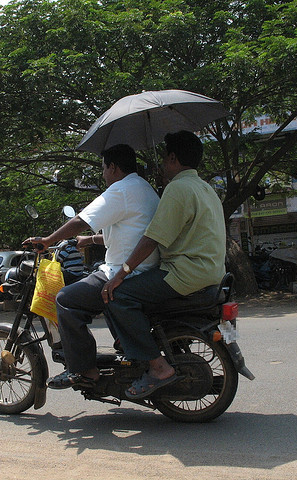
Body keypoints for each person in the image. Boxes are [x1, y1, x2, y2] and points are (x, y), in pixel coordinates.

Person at [102, 130, 227, 400]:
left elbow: (152, 238)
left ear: (172, 157)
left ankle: (157, 367)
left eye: (164, 159)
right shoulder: (205, 187)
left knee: (118, 296)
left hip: (184, 274)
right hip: (211, 273)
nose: (161, 165)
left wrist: (121, 274)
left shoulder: (178, 189)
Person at [23, 144, 160, 389]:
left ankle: (86, 370)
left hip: (127, 271)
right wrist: (89, 240)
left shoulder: (121, 190)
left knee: (66, 299)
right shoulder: (143, 188)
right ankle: (121, 340)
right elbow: (126, 233)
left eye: (104, 168)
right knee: (95, 273)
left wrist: (47, 241)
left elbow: (81, 220)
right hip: (143, 266)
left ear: (114, 167)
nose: (103, 174)